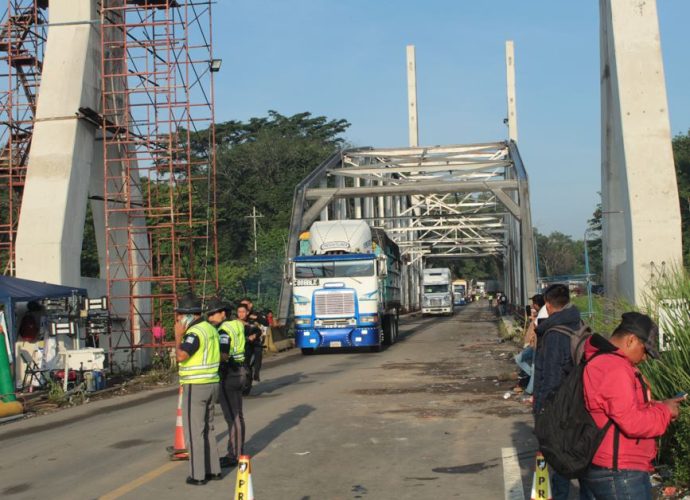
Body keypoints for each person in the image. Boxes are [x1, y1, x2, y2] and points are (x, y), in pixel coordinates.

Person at [581, 312, 683, 499]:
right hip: (619, 471)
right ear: (631, 340)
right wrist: (665, 411)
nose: (644, 358)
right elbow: (632, 422)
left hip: (608, 465)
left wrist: (658, 405)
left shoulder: (603, 361)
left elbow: (618, 409)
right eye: (644, 350)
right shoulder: (615, 367)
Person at [532, 283, 587, 500]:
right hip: (579, 402)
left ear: (547, 303)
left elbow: (550, 377)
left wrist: (540, 413)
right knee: (581, 457)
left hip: (559, 406)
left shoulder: (553, 334)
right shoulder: (578, 323)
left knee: (558, 459)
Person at [174, 292, 222, 485]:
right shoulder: (210, 329)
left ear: (189, 315)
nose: (178, 319)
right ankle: (214, 470)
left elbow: (181, 356)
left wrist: (178, 336)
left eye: (180, 316)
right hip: (212, 383)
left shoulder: (194, 333)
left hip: (196, 385)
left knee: (195, 432)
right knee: (208, 428)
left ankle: (198, 475)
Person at [206, 298, 247, 470]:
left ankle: (234, 455)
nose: (210, 317)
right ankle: (237, 450)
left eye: (213, 313)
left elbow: (223, 355)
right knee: (238, 414)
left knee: (232, 416)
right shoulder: (237, 325)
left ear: (223, 313)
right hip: (241, 371)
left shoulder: (223, 331)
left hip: (230, 374)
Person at [514, 294, 546, 396]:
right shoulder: (540, 313)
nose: (532, 306)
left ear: (537, 304)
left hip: (537, 345)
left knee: (533, 367)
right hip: (533, 345)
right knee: (519, 358)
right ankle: (535, 378)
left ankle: (529, 391)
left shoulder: (543, 314)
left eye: (533, 304)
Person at [239, 298, 268, 383]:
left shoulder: (256, 314)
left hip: (256, 341)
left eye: (246, 305)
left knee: (258, 352)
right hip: (244, 342)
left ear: (250, 305)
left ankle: (256, 373)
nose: (244, 307)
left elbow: (266, 323)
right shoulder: (239, 316)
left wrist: (255, 317)